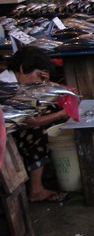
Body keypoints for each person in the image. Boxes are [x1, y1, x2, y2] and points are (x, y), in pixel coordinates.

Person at [0, 47, 69, 203]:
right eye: (38, 75)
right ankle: (36, 190)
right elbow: (28, 122)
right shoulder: (6, 86)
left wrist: (45, 83)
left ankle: (45, 171)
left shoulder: (17, 81)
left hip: (10, 129)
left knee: (51, 109)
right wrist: (61, 114)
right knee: (36, 132)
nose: (39, 81)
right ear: (23, 68)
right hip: (5, 138)